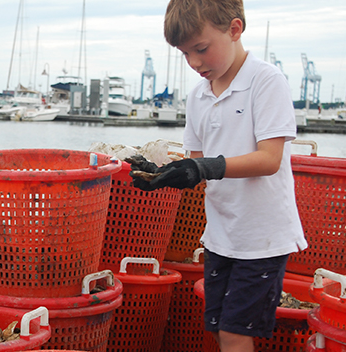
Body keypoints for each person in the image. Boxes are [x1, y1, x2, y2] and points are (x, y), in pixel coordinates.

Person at [128, 1, 308, 351]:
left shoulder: (266, 81)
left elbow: (270, 159)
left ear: (235, 29)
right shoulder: (197, 98)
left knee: (235, 333)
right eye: (185, 54)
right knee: (216, 326)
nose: (194, 62)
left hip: (262, 238)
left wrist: (205, 167)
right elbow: (198, 166)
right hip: (220, 235)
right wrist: (164, 174)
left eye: (201, 49)